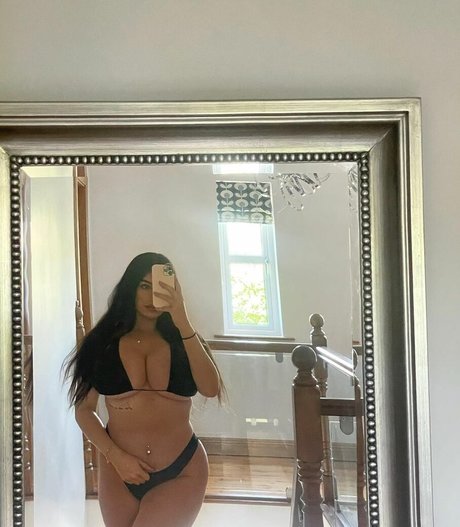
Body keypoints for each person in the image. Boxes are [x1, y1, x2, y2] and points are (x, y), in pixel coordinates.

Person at [63, 252, 224, 527]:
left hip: (182, 470)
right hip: (118, 471)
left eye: (160, 287)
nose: (151, 297)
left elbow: (210, 388)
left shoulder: (185, 340)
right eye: (144, 286)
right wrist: (115, 457)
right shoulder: (103, 343)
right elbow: (84, 411)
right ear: (131, 288)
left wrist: (182, 319)